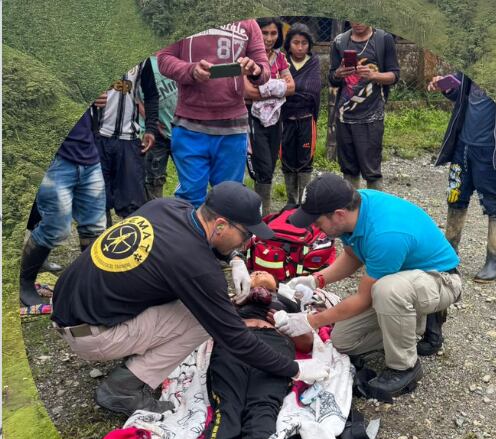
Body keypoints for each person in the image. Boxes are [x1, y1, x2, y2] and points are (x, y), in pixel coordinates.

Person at [51, 182, 325, 416]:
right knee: (202, 320)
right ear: (220, 225)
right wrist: (294, 369)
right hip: (91, 336)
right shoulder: (196, 266)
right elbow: (236, 339)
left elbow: (203, 247)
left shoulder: (166, 207)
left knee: (188, 301)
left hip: (69, 305)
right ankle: (122, 389)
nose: (247, 242)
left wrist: (235, 258)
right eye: (245, 235)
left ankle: (134, 346)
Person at [275, 173, 461, 401]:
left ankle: (404, 368)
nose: (316, 228)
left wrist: (309, 322)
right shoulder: (353, 212)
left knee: (386, 290)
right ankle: (411, 325)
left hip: (440, 279)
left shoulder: (385, 234)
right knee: (344, 341)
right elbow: (353, 256)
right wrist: (316, 280)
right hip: (404, 278)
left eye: (317, 221)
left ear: (338, 215)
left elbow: (364, 298)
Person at [204, 273, 309, 439]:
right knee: (228, 401)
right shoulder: (237, 297)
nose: (259, 273)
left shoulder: (286, 301)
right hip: (236, 342)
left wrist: (288, 323)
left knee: (265, 400)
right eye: (253, 273)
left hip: (274, 346)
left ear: (277, 285)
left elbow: (306, 343)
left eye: (263, 272)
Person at [156, 20, 270, 208]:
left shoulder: (248, 23)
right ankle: (191, 236)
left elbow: (263, 68)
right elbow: (164, 59)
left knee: (228, 198)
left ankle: (222, 237)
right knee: (190, 197)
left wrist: (255, 69)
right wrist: (191, 70)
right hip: (189, 126)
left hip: (232, 129)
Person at [429, 72, 496, 283]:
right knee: (456, 196)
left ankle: (494, 259)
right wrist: (446, 87)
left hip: (492, 149)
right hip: (463, 145)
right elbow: (458, 92)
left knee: (494, 201)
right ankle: (448, 253)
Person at [20, 110, 107, 307]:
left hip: (89, 156)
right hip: (56, 161)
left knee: (94, 227)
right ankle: (24, 282)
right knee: (55, 228)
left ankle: (89, 286)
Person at [328, 21, 399, 191]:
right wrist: (338, 73)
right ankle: (352, 212)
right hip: (344, 116)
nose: (357, 22)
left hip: (372, 116)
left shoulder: (383, 39)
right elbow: (332, 78)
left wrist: (373, 75)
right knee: (348, 169)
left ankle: (374, 212)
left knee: (372, 171)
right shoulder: (339, 41)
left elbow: (394, 75)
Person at [93, 59, 159, 222]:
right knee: (97, 205)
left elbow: (151, 94)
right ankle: (98, 246)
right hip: (96, 138)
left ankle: (131, 245)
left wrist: (150, 128)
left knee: (133, 207)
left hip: (128, 139)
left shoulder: (142, 61)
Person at [245, 18, 294, 213]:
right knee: (261, 166)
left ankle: (263, 212)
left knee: (271, 163)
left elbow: (292, 87)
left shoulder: (279, 57)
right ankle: (260, 214)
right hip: (252, 116)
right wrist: (278, 85)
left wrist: (264, 87)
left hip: (275, 116)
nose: (269, 38)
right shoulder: (247, 57)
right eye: (264, 33)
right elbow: (247, 92)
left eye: (273, 33)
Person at [280, 24, 322, 207]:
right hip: (285, 119)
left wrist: (289, 90)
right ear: (288, 44)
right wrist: (289, 90)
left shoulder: (313, 62)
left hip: (306, 119)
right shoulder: (282, 62)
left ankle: (304, 203)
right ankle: (291, 201)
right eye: (295, 42)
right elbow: (277, 88)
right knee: (287, 159)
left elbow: (312, 89)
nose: (300, 47)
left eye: (304, 43)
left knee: (305, 160)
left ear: (309, 45)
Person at [143, 55, 179, 201]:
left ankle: (185, 213)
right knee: (154, 177)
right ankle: (154, 213)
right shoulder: (143, 63)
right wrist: (152, 123)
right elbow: (139, 97)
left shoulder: (172, 58)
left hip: (180, 127)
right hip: (156, 132)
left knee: (190, 173)